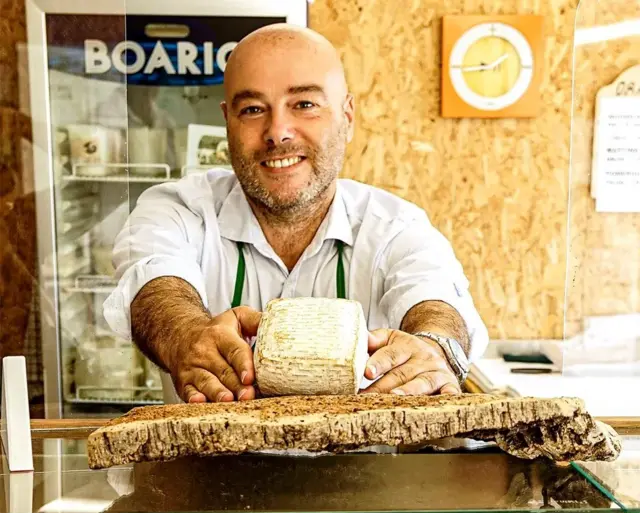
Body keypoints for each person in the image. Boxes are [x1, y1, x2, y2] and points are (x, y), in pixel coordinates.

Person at [104, 24, 488, 404]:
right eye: (253, 110)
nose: (278, 132)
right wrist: (187, 335)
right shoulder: (179, 209)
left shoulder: (395, 227)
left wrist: (431, 347)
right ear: (227, 123)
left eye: (304, 105)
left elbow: (434, 297)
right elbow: (153, 283)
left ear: (347, 117)